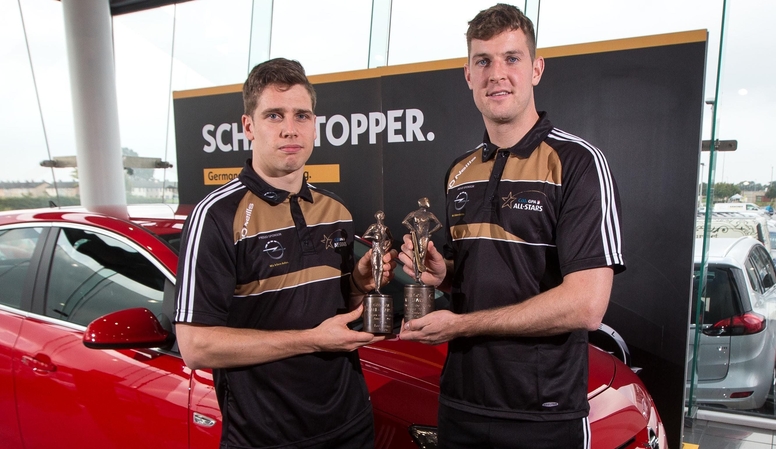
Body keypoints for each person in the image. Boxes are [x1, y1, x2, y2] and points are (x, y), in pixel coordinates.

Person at [397, 4, 625, 449]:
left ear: (536, 69)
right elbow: (483, 276)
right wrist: (445, 274)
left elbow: (585, 305)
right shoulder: (459, 172)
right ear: (468, 75)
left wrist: (461, 326)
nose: (496, 73)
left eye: (512, 58)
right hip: (462, 402)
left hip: (543, 413)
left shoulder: (578, 162)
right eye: (483, 61)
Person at [174, 57, 396, 449]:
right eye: (274, 115)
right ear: (249, 127)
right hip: (265, 436)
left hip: (350, 426)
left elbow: (341, 309)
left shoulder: (338, 211)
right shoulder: (216, 216)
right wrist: (311, 340)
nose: (290, 129)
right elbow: (196, 346)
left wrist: (360, 284)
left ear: (314, 125)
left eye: (301, 115)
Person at [401, 197, 442, 284]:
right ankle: (417, 277)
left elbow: (439, 225)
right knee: (416, 255)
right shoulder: (415, 213)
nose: (428, 202)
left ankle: (419, 276)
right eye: (426, 201)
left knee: (421, 255)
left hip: (424, 237)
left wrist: (430, 232)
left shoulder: (429, 214)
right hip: (417, 236)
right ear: (422, 203)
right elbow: (405, 221)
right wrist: (412, 229)